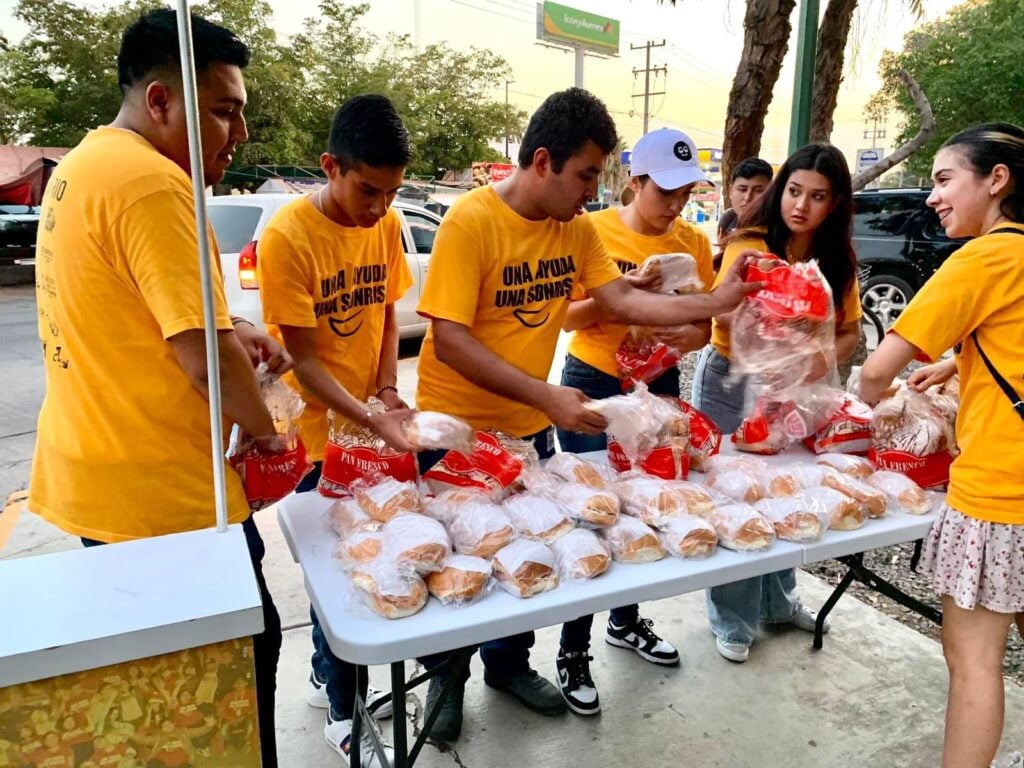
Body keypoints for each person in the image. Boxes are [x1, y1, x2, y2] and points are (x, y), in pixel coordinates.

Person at [414, 87, 760, 742]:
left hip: (527, 427)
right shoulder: (470, 221)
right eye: (584, 175)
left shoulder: (574, 230)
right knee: (458, 563)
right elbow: (451, 340)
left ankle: (507, 666)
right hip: (456, 430)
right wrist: (547, 395)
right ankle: (445, 678)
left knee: (529, 549)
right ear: (542, 161)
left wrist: (715, 307)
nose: (590, 191)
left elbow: (622, 303)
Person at [27, 9, 287, 766]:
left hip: (97, 481)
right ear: (161, 101)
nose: (237, 134)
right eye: (224, 110)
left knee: (163, 701)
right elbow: (204, 360)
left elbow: (126, 314)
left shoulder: (83, 166)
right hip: (165, 502)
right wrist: (269, 433)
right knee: (234, 681)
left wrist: (233, 328)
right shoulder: (153, 182)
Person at [857, 123, 1024, 768]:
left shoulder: (983, 256)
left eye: (945, 178)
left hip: (1001, 491)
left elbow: (877, 370)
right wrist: (958, 366)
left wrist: (859, 413)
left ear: (997, 180)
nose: (932, 196)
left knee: (973, 659)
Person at [256, 94, 414, 767]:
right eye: (367, 189)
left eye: (392, 192)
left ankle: (331, 674)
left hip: (366, 422)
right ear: (330, 166)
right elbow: (305, 360)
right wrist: (367, 415)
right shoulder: (290, 237)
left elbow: (382, 317)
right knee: (338, 578)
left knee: (375, 559)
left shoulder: (386, 223)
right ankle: (346, 713)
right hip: (316, 441)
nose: (380, 207)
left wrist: (385, 391)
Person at [555, 127, 716, 714]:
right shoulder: (589, 231)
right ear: (634, 181)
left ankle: (625, 621)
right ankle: (573, 649)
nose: (674, 204)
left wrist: (686, 332)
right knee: (594, 514)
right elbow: (568, 319)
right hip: (593, 383)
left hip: (658, 383)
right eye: (663, 191)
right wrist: (621, 294)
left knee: (650, 506)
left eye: (685, 191)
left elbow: (706, 325)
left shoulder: (694, 242)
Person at [692, 143, 862, 663]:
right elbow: (718, 315)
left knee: (787, 494)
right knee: (736, 497)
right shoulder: (749, 244)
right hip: (731, 380)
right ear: (780, 189)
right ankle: (733, 619)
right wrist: (767, 329)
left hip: (793, 391)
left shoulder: (836, 260)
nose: (801, 206)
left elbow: (849, 334)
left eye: (817, 196)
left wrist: (814, 361)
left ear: (834, 204)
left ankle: (779, 601)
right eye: (793, 191)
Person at [715, 157, 773, 268]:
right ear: (730, 191)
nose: (748, 197)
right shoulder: (728, 221)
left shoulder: (775, 231)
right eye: (742, 189)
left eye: (758, 191)